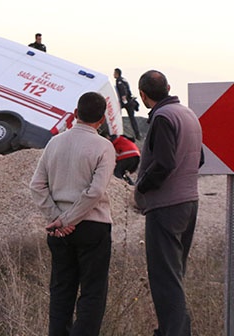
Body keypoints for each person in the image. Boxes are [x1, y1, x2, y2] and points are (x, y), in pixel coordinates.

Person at [30, 91, 115, 336]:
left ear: (75, 114)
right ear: (101, 120)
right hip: (93, 225)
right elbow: (95, 191)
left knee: (61, 290)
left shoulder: (54, 142)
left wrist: (57, 218)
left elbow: (36, 185)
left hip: (57, 229)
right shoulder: (104, 147)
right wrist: (69, 220)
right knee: (92, 292)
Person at [134, 70, 204, 336]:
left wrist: (141, 186)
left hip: (166, 207)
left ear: (142, 94)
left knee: (165, 278)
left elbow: (163, 163)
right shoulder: (188, 115)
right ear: (168, 87)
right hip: (190, 202)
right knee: (174, 275)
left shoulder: (163, 118)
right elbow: (199, 159)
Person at [114, 68, 141, 140]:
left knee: (116, 114)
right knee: (132, 118)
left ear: (117, 73)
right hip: (130, 101)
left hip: (126, 102)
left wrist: (124, 99)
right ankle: (137, 134)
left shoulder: (119, 80)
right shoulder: (124, 79)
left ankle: (117, 132)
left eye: (114, 73)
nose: (113, 75)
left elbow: (122, 90)